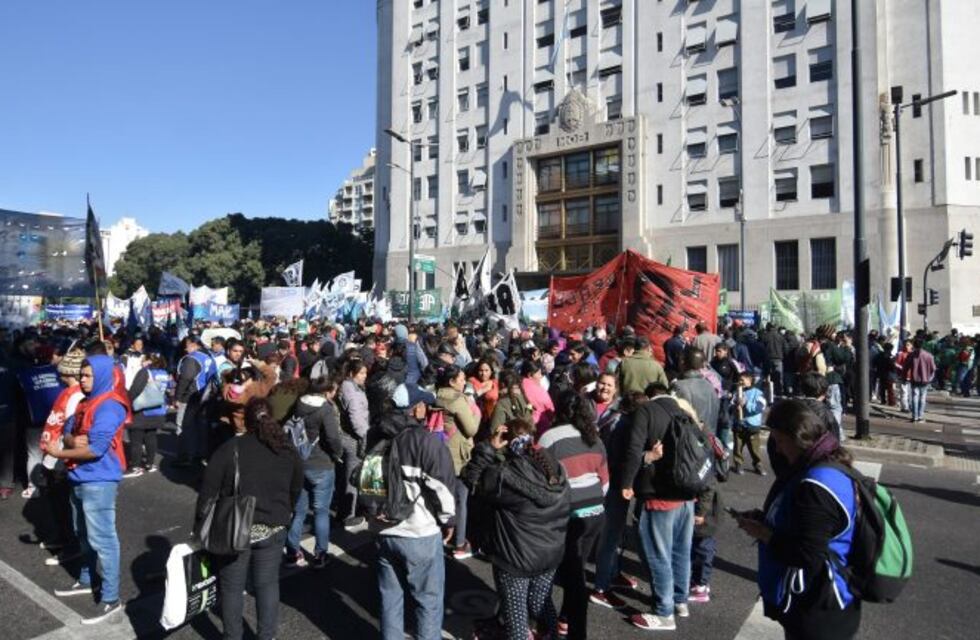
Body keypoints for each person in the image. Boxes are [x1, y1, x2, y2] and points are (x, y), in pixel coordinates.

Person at [735, 399, 861, 640]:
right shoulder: (821, 466)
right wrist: (765, 521)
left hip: (818, 608)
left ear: (799, 438)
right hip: (821, 605)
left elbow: (807, 555)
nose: (778, 450)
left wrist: (764, 534)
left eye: (780, 441)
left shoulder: (816, 485)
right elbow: (806, 526)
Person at [196, 398, 303, 640]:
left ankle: (232, 636)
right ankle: (267, 636)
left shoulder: (230, 448)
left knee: (232, 587)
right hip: (274, 526)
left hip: (235, 528)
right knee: (267, 585)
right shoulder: (286, 449)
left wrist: (199, 525)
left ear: (246, 420)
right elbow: (296, 487)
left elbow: (208, 492)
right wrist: (285, 510)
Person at [462, 418, 570, 640]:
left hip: (516, 557)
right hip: (550, 552)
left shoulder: (504, 475)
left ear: (506, 441)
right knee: (541, 603)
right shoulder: (554, 467)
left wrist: (488, 447)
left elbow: (471, 478)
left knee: (517, 620)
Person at [49, 355, 130, 625]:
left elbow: (95, 448)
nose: (81, 379)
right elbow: (69, 429)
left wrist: (60, 451)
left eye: (87, 376)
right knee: (82, 533)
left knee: (103, 540)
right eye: (81, 375)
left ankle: (111, 597)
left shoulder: (109, 406)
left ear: (103, 377)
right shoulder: (86, 402)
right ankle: (87, 579)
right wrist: (72, 440)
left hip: (99, 480)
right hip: (79, 476)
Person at [374, 384, 458, 640]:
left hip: (383, 528)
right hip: (419, 530)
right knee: (428, 601)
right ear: (417, 408)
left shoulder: (375, 433)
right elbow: (442, 488)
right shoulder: (425, 441)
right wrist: (449, 521)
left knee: (390, 598)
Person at [619, 390, 694, 631]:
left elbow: (632, 449)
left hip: (658, 494)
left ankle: (664, 612)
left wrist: (627, 482)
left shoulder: (646, 412)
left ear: (650, 396)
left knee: (658, 555)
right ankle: (680, 601)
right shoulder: (684, 412)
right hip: (686, 495)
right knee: (681, 552)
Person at [538, 392, 608, 640]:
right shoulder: (594, 438)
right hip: (595, 512)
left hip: (568, 513)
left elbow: (543, 479)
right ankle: (566, 620)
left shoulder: (549, 438)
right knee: (575, 570)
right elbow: (605, 481)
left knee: (568, 576)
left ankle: (571, 630)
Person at [284, 377, 344, 570]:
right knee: (320, 511)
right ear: (326, 392)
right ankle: (320, 554)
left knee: (298, 511)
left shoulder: (299, 403)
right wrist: (337, 454)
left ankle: (292, 553)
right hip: (321, 463)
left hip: (299, 462)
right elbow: (333, 437)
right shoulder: (324, 409)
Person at [434, 364, 480, 560]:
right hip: (458, 455)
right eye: (461, 379)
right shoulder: (458, 400)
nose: (464, 382)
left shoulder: (437, 395)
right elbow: (471, 430)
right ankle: (460, 543)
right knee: (461, 499)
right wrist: (476, 412)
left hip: (440, 450)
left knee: (442, 496)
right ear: (452, 381)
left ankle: (444, 533)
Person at [124, 352, 173, 476]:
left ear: (149, 361)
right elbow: (169, 388)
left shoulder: (145, 372)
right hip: (158, 410)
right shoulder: (164, 374)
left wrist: (127, 402)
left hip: (143, 410)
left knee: (136, 439)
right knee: (151, 436)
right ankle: (150, 464)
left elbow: (135, 390)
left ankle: (135, 466)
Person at [174, 337, 216, 467]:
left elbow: (185, 379)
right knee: (200, 427)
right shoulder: (208, 357)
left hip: (190, 396)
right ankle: (200, 454)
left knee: (183, 425)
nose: (185, 349)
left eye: (187, 345)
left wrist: (178, 397)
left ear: (194, 345)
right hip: (205, 395)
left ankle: (185, 456)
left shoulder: (192, 359)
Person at [338, 359, 370, 527]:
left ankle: (349, 510)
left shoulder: (351, 386)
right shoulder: (350, 389)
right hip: (353, 439)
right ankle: (348, 515)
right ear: (352, 373)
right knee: (352, 476)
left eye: (365, 373)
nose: (365, 376)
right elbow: (356, 417)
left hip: (352, 436)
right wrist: (366, 435)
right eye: (361, 373)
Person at [688, 481, 722, 604]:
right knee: (700, 546)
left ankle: (700, 588)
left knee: (702, 549)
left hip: (704, 513)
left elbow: (708, 485)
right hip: (707, 510)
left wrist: (700, 512)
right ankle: (699, 582)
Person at [732, 370, 767, 475]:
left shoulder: (758, 393)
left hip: (752, 426)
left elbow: (759, 408)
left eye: (743, 380)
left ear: (750, 380)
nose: (740, 382)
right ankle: (738, 464)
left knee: (754, 448)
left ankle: (758, 464)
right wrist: (735, 407)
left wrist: (746, 404)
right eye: (739, 380)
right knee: (738, 447)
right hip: (739, 425)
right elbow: (731, 406)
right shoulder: (737, 392)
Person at [902, 338, 936, 423]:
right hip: (925, 379)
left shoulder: (911, 355)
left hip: (914, 379)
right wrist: (930, 379)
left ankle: (914, 416)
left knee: (914, 397)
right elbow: (933, 369)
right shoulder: (929, 355)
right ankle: (920, 416)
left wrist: (903, 377)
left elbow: (905, 367)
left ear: (914, 345)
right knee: (922, 398)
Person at [521, 360, 555, 434]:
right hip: (539, 425)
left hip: (521, 424)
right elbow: (550, 410)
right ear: (530, 375)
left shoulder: (517, 385)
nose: (541, 376)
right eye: (539, 373)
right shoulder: (539, 391)